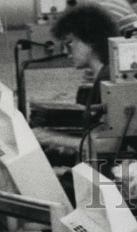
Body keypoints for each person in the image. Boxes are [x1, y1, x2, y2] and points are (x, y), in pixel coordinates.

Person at [33, 4, 118, 164]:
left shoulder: (107, 79)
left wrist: (51, 138)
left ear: (90, 40)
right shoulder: (104, 74)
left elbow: (110, 144)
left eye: (69, 43)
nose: (66, 52)